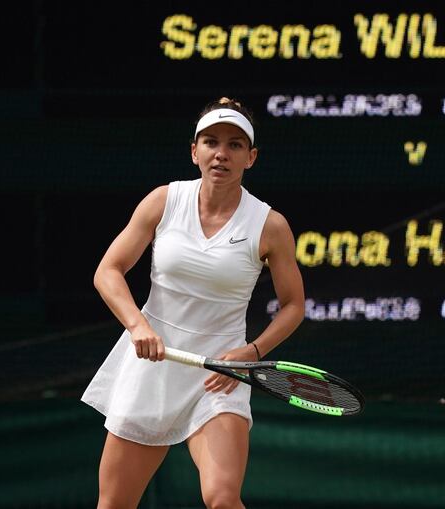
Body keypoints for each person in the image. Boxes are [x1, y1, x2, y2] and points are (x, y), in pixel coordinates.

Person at [82, 97, 305, 509]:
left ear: (251, 157)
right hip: (153, 367)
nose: (222, 153)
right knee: (114, 503)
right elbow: (107, 271)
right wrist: (138, 326)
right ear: (194, 151)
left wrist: (252, 352)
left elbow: (294, 305)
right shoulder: (163, 201)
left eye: (236, 145)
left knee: (222, 498)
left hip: (219, 376)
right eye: (212, 141)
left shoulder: (270, 226)